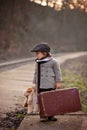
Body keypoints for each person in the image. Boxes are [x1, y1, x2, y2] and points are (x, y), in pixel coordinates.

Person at [31, 42, 62, 122]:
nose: (36, 55)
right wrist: (34, 83)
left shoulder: (53, 61)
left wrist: (58, 82)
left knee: (51, 100)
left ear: (44, 53)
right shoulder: (38, 62)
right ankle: (43, 115)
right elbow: (36, 73)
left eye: (38, 53)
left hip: (50, 84)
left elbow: (58, 72)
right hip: (40, 85)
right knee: (41, 100)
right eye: (36, 53)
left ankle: (51, 115)